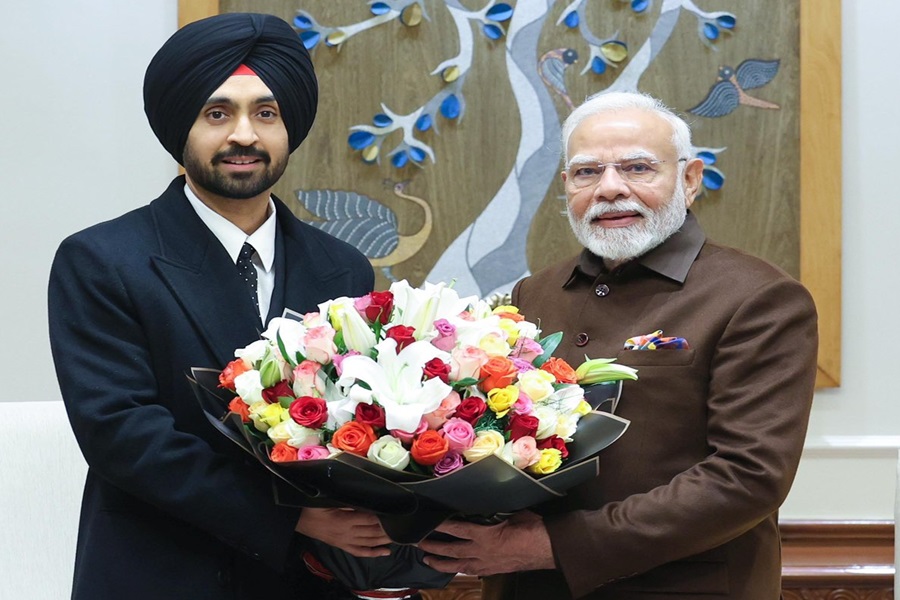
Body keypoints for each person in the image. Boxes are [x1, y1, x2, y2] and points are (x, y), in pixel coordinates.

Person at [48, 13, 397, 600]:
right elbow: (123, 434)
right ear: (180, 124)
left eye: (266, 113)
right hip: (161, 570)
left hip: (311, 578)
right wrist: (292, 516)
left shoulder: (343, 268)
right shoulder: (102, 259)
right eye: (218, 113)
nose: (244, 135)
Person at [418, 91, 819, 599]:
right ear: (567, 187)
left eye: (637, 168)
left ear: (690, 180)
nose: (610, 189)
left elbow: (747, 478)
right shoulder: (532, 293)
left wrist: (553, 546)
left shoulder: (759, 297)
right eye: (587, 172)